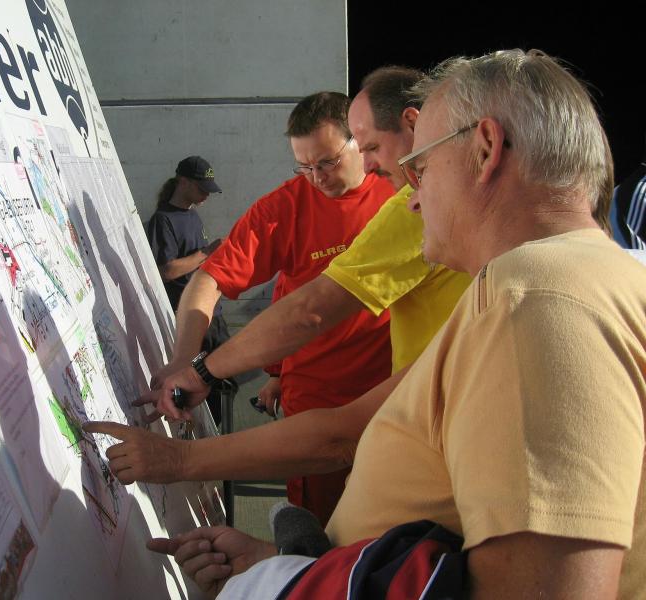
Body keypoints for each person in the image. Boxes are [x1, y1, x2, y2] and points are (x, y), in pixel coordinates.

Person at [146, 49, 646, 598]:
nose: (410, 200)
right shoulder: (527, 291)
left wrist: (290, 584)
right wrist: (289, 565)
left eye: (422, 170)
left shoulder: (536, 302)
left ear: (485, 149)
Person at [149, 91, 397, 524]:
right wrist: (183, 361)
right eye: (304, 166)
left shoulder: (402, 190)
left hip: (396, 397)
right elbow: (209, 280)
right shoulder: (285, 208)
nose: (316, 178)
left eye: (327, 162)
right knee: (325, 532)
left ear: (359, 140)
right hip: (318, 407)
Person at [146, 156, 230, 423]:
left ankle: (217, 434)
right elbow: (168, 270)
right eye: (202, 188)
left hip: (212, 313)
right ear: (182, 181)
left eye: (209, 190)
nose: (206, 195)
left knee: (223, 384)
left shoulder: (192, 215)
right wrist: (207, 253)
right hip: (192, 320)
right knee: (202, 386)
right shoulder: (163, 220)